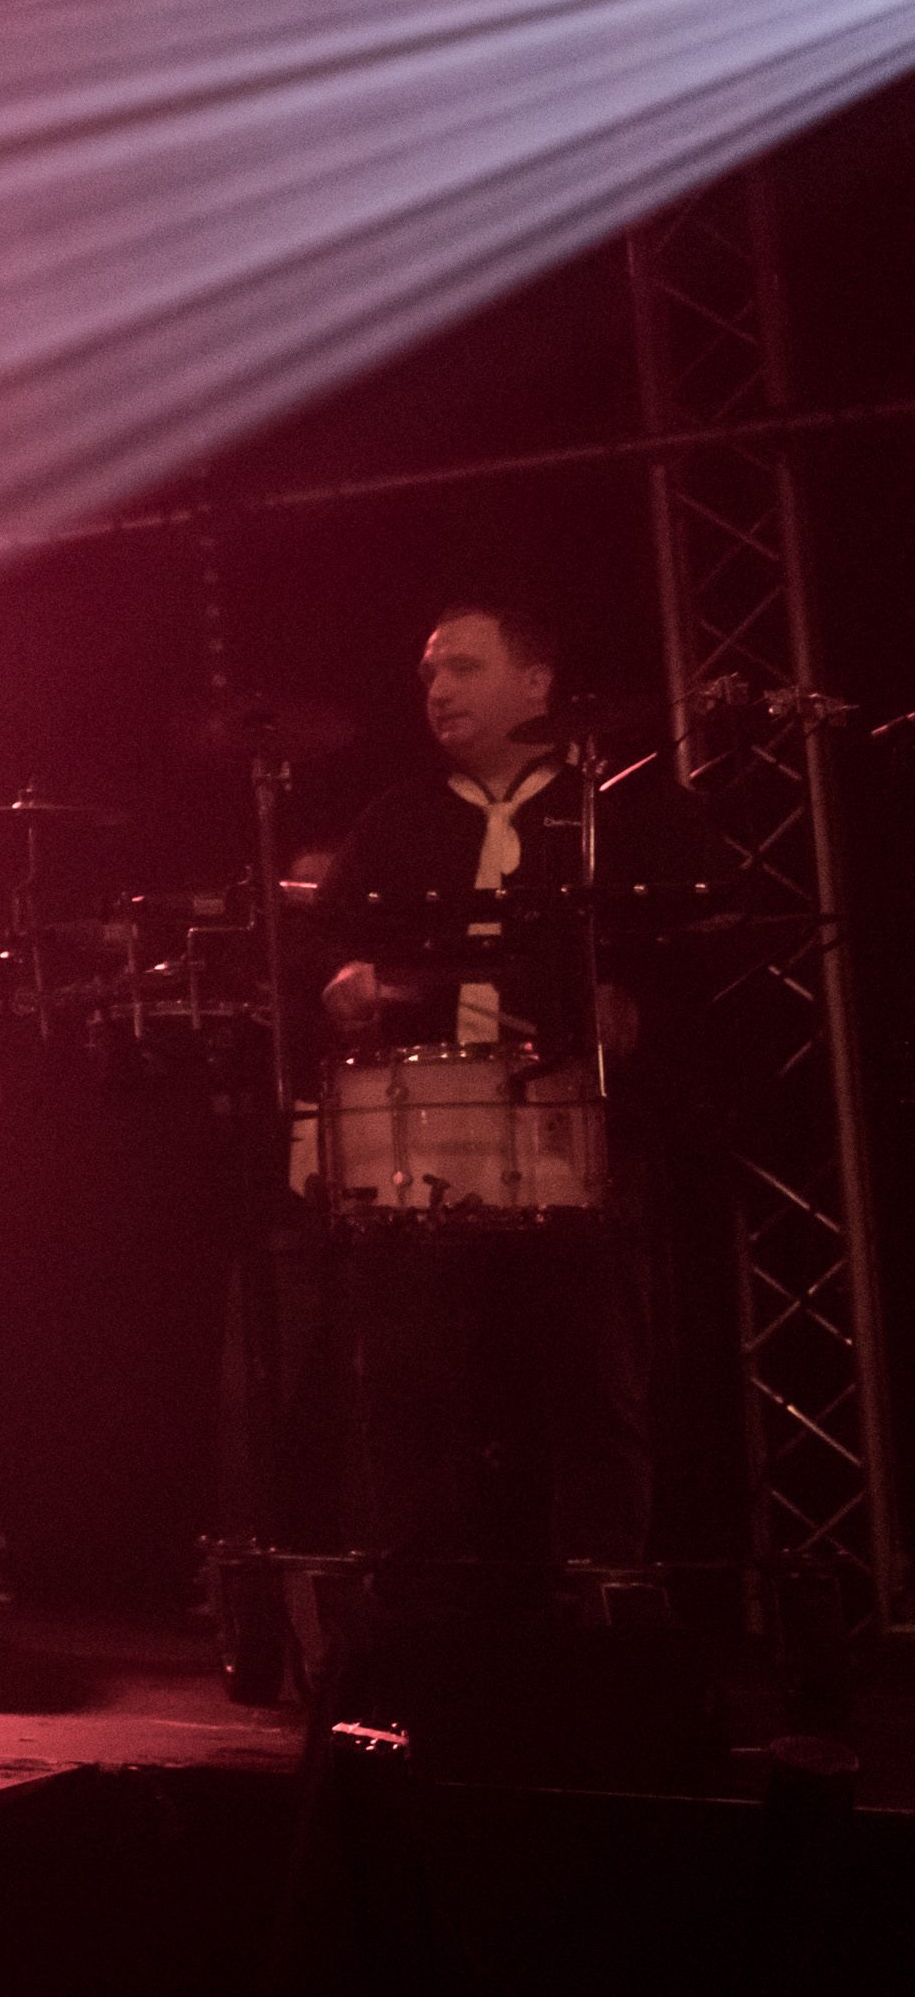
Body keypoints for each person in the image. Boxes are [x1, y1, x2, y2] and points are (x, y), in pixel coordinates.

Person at [299, 603, 700, 1581]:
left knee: (595, 1381)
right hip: (427, 1134)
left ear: (536, 683)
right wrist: (340, 980)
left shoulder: (617, 811)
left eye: (463, 668)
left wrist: (634, 1005)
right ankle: (418, 1591)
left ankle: (601, 1590)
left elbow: (698, 952)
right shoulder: (394, 818)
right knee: (406, 1380)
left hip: (574, 1123)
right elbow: (321, 943)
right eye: (428, 674)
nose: (437, 691)